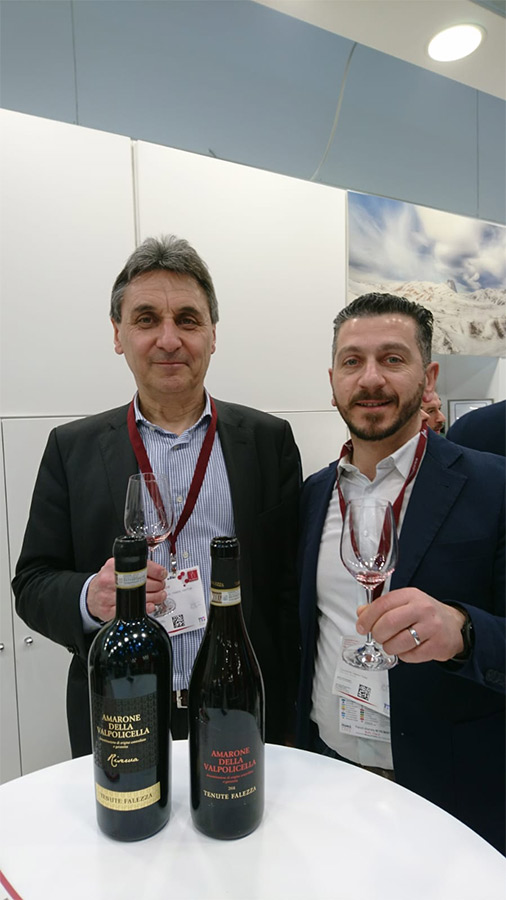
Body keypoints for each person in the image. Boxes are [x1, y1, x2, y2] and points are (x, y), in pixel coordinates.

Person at [13, 235, 301, 757]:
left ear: (213, 334)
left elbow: (287, 593)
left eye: (187, 320)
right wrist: (89, 598)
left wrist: (288, 717)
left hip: (237, 710)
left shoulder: (268, 442)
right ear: (118, 334)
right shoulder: (71, 449)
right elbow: (32, 583)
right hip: (120, 709)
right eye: (146, 319)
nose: (169, 340)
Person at [297, 292, 505, 853]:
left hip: (448, 794)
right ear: (333, 381)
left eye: (392, 359)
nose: (370, 379)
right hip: (326, 776)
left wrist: (463, 631)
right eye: (352, 361)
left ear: (428, 377)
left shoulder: (495, 487)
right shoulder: (311, 495)